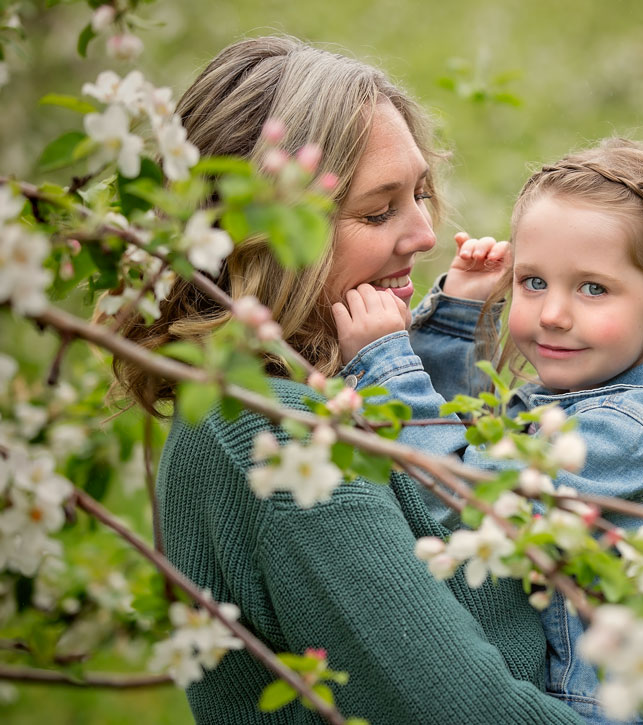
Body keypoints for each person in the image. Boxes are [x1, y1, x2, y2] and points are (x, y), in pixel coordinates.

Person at [111, 35, 588, 725]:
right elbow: (469, 711)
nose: (425, 233)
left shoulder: (360, 393)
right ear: (266, 233)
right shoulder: (267, 429)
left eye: (421, 193)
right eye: (377, 210)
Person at [331, 139, 643, 724]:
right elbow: (469, 441)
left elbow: (464, 493)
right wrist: (458, 323)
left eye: (592, 288)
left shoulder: (625, 433)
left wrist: (383, 364)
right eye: (533, 282)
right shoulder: (596, 396)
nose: (552, 314)